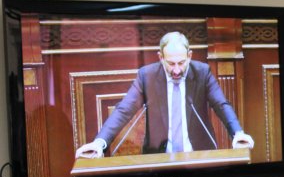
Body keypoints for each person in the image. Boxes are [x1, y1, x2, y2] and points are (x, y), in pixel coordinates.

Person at [75, 32, 254, 158]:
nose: (176, 70)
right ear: (160, 57)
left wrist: (237, 133)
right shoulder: (147, 76)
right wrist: (99, 143)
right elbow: (124, 110)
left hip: (199, 155)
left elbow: (221, 104)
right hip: (158, 159)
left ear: (189, 56)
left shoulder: (202, 73)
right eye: (171, 63)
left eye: (181, 63)